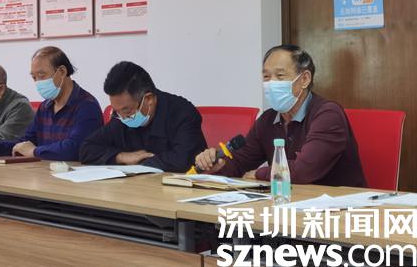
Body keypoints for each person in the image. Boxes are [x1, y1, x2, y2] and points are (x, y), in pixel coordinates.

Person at [195, 44, 367, 187]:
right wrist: (217, 166)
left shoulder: (328, 115)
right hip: (289, 203)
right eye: (266, 77)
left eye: (280, 76)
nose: (271, 83)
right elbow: (240, 162)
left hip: (339, 208)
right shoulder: (268, 119)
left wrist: (259, 174)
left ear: (304, 79)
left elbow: (304, 171)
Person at [0, 46, 103, 160]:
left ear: (61, 71)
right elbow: (25, 142)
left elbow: (76, 148)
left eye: (41, 75)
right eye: (34, 77)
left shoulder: (87, 106)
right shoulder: (45, 107)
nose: (38, 82)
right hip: (43, 173)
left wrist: (35, 151)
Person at [79, 61, 207, 172]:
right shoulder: (121, 118)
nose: (122, 118)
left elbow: (183, 160)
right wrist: (121, 157)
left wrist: (141, 163)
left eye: (127, 110)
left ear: (149, 99)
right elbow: (87, 149)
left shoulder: (182, 113)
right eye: (117, 111)